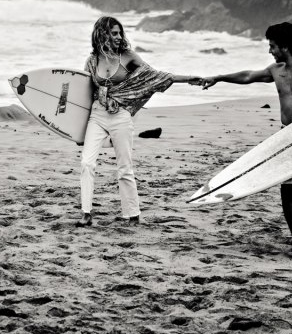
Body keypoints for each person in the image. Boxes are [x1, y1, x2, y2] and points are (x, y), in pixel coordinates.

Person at [199, 21, 292, 246]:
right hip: (287, 136)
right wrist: (218, 77)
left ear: (285, 46)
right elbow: (248, 76)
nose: (270, 51)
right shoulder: (276, 71)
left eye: (273, 46)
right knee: (288, 189)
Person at [77, 16, 201, 228]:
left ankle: (132, 214)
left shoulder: (128, 57)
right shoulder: (92, 61)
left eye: (119, 33)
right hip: (97, 115)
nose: (118, 37)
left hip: (121, 116)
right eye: (113, 33)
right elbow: (84, 95)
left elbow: (156, 76)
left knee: (124, 166)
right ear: (102, 34)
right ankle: (86, 213)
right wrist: (77, 131)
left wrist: (190, 78)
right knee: (86, 163)